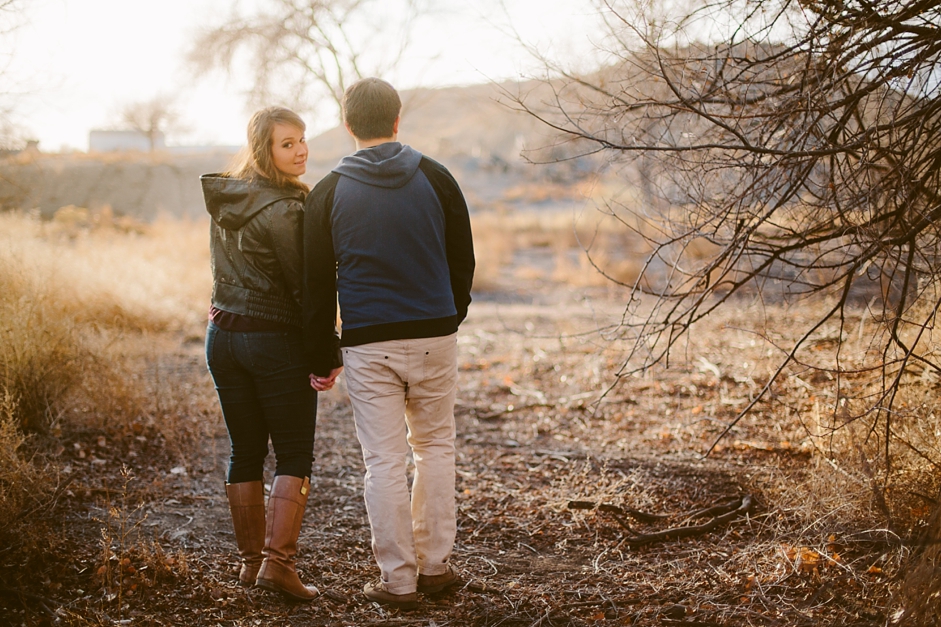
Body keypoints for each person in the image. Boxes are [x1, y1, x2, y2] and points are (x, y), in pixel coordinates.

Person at [303, 77, 475, 610]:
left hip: (366, 342)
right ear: (398, 120)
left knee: (383, 461)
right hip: (434, 333)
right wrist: (450, 316)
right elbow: (462, 259)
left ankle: (397, 580)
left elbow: (316, 282)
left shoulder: (328, 190)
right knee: (435, 448)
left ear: (349, 124)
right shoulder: (437, 177)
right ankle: (438, 568)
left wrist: (322, 351)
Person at [201, 107, 340, 602]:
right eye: (287, 143)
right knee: (295, 453)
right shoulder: (285, 210)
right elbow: (307, 291)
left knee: (246, 450)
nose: (301, 150)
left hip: (222, 337)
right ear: (264, 150)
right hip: (271, 340)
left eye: (302, 140)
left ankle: (251, 563)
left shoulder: (228, 199)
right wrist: (327, 352)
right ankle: (278, 566)